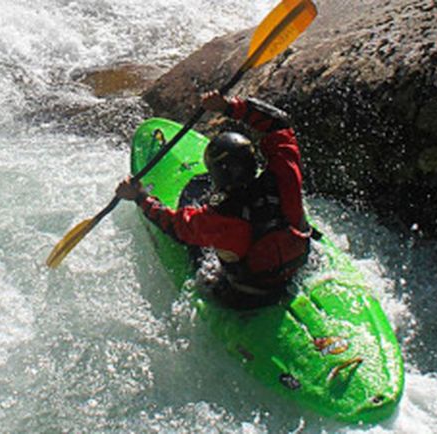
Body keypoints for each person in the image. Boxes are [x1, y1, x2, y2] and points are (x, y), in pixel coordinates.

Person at [115, 90, 313, 309]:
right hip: (296, 264)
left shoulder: (219, 218)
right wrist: (229, 106)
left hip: (250, 292)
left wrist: (140, 196)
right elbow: (279, 123)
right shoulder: (284, 174)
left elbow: (174, 226)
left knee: (202, 265)